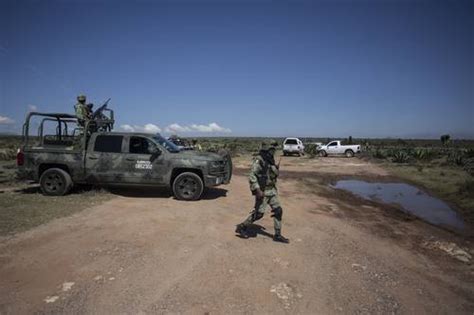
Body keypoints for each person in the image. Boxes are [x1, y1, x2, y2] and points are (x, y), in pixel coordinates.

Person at [235, 140, 289, 243]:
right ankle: (243, 226)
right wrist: (257, 190)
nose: (274, 151)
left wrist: (275, 170)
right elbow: (252, 175)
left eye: (274, 149)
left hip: (272, 190)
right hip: (263, 191)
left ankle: (277, 235)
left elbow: (271, 173)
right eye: (272, 149)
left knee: (278, 211)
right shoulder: (259, 159)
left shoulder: (270, 159)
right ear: (267, 149)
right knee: (259, 214)